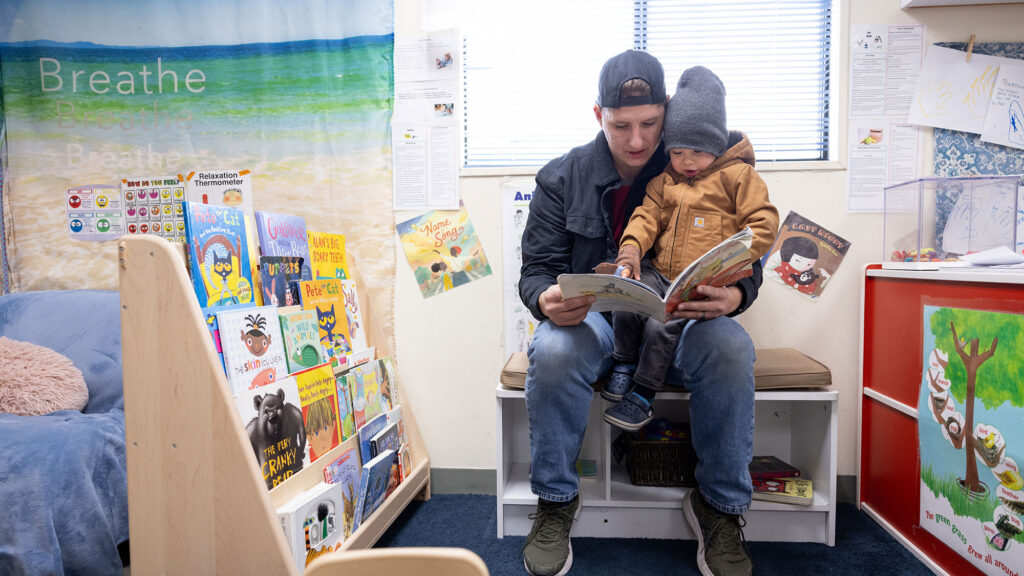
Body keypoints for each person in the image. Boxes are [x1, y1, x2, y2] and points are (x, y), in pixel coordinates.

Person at [518, 50, 767, 576]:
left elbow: (750, 251)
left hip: (681, 324)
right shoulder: (560, 179)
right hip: (598, 327)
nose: (636, 140)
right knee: (553, 348)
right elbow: (535, 271)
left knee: (731, 345)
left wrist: (737, 296)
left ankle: (719, 509)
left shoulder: (702, 163)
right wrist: (545, 300)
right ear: (597, 116)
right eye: (620, 125)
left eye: (650, 123)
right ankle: (557, 501)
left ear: (668, 111)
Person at [602, 66, 779, 434]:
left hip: (697, 282)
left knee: (660, 323)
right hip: (659, 269)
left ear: (715, 143)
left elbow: (763, 223)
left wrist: (735, 259)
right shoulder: (667, 180)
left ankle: (643, 395)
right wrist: (630, 252)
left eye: (697, 151)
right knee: (628, 295)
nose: (686, 161)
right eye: (678, 151)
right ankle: (623, 363)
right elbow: (645, 217)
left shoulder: (739, 178)